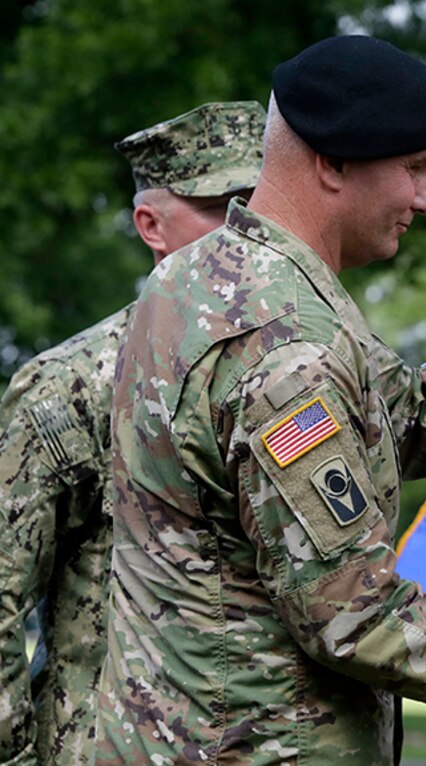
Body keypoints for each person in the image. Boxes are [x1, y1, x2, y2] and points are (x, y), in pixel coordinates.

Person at [93, 35, 426, 765]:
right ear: (331, 162)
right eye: (414, 169)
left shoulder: (203, 281)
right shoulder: (283, 344)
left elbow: (412, 420)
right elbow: (353, 616)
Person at [0, 101, 265, 765]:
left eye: (258, 203)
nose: (248, 227)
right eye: (221, 205)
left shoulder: (299, 369)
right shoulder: (78, 383)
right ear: (152, 224)